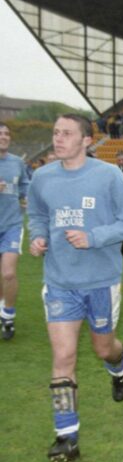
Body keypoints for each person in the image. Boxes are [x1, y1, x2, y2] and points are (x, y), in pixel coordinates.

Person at [27, 114, 123, 462]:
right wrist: (39, 236)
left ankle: (119, 366)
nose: (57, 139)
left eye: (66, 133)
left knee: (103, 347)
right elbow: (38, 214)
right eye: (55, 132)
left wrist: (93, 237)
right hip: (60, 282)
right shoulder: (42, 177)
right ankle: (67, 437)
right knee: (63, 358)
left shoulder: (108, 176)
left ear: (86, 140)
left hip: (101, 282)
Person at [0, 122, 30, 339]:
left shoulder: (17, 162)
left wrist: (26, 198)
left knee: (8, 272)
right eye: (0, 133)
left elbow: (25, 186)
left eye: (7, 133)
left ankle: (8, 316)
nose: (4, 136)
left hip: (12, 224)